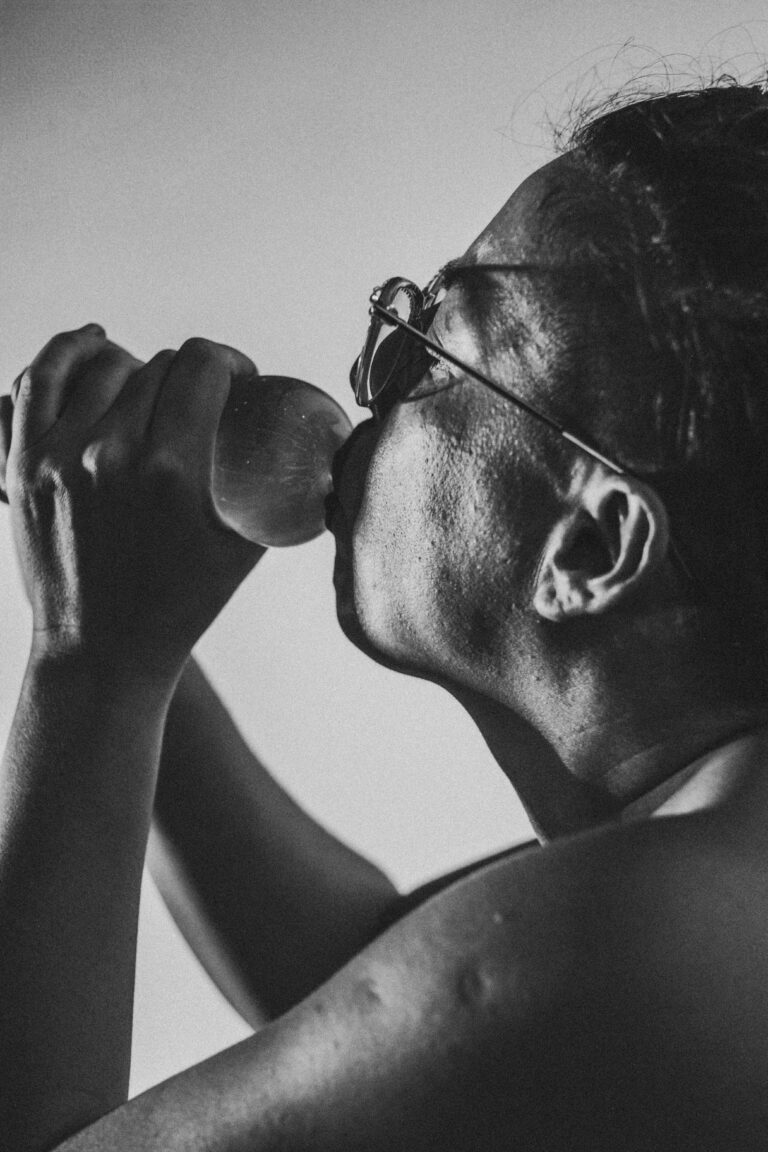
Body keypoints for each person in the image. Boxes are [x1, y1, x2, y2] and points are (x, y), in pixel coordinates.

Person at [2, 79, 768, 1151]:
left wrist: (89, 664)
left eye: (423, 350)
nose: (364, 382)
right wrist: (123, 608)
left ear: (592, 547)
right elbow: (355, 968)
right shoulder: (708, 886)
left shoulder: (644, 943)